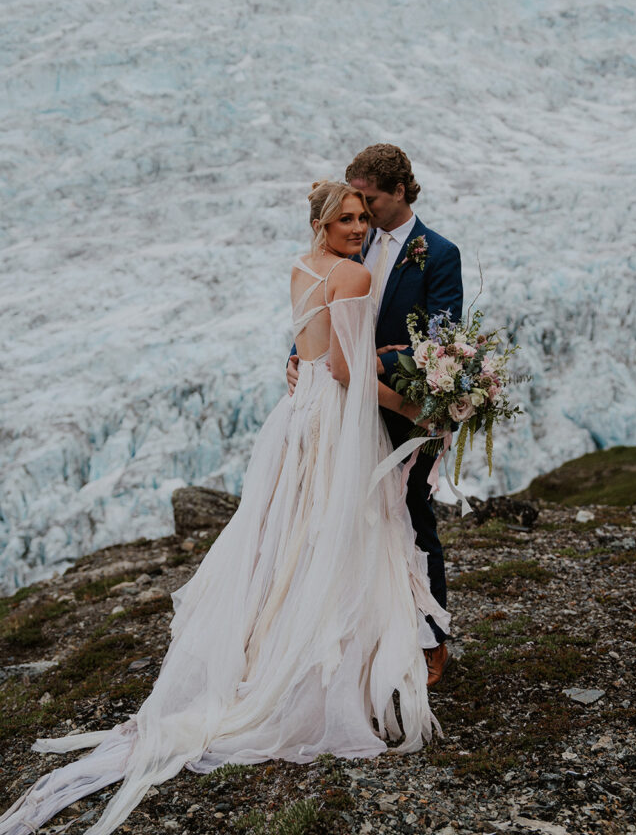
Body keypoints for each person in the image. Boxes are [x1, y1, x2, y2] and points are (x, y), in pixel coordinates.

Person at [0, 181, 449, 835]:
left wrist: (308, 366)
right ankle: (323, 658)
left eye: (361, 218)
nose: (357, 228)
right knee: (339, 532)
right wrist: (418, 409)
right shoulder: (352, 272)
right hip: (332, 416)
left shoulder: (301, 267)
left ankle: (272, 641)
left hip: (296, 415)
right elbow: (349, 371)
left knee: (292, 533)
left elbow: (308, 350)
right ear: (324, 224)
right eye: (346, 219)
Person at [287, 146, 462, 688]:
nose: (359, 213)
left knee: (412, 515)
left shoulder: (438, 252)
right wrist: (299, 360)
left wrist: (379, 366)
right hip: (347, 405)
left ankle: (432, 639)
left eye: (368, 201)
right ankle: (369, 635)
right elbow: (320, 313)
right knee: (355, 520)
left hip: (407, 408)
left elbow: (443, 338)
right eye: (352, 205)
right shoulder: (351, 243)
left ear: (399, 193)